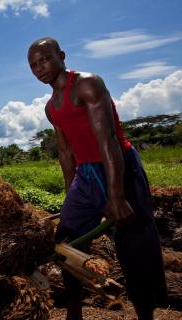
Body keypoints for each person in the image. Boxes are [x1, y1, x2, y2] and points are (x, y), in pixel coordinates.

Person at [27, 38, 167, 320]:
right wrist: (71, 195)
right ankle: (74, 312)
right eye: (33, 65)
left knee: (133, 244)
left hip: (119, 166)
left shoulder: (87, 84)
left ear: (62, 56)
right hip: (87, 174)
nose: (39, 68)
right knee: (66, 241)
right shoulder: (51, 107)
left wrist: (115, 195)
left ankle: (145, 314)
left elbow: (108, 140)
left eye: (45, 60)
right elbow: (66, 153)